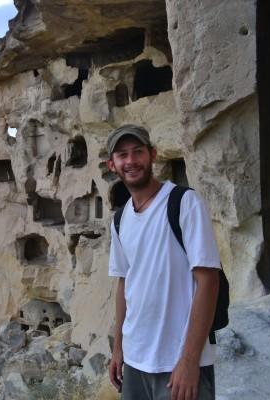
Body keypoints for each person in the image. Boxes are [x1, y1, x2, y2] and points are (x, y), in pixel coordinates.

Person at [106, 124, 221, 400]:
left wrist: (189, 360)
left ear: (153, 155)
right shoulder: (121, 220)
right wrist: (119, 349)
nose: (131, 161)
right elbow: (124, 284)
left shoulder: (184, 203)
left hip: (178, 363)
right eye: (122, 155)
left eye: (138, 152)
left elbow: (208, 281)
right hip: (135, 362)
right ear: (112, 165)